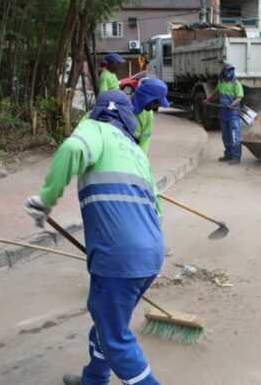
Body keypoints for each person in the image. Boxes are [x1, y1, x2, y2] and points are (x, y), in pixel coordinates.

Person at [24, 90, 164, 385]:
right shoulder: (136, 151)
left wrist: (45, 200)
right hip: (151, 254)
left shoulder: (94, 128)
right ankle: (94, 379)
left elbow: (73, 149)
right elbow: (158, 210)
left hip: (117, 258)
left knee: (115, 338)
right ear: (127, 118)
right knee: (107, 322)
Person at [204, 63, 244, 165]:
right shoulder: (221, 83)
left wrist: (232, 104)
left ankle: (236, 157)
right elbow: (216, 93)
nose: (229, 72)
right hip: (223, 114)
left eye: (231, 70)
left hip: (233, 114)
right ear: (223, 72)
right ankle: (228, 155)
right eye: (227, 70)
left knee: (235, 135)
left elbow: (239, 97)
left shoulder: (236, 84)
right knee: (225, 136)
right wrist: (208, 100)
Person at [131, 78, 170, 155]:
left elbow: (145, 140)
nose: (156, 106)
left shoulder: (149, 114)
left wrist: (141, 160)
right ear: (144, 97)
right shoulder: (124, 110)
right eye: (156, 102)